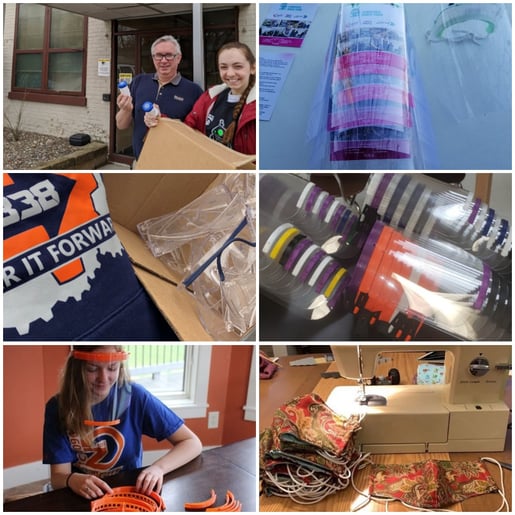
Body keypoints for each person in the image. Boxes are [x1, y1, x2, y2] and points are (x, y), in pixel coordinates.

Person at [3, 173, 179, 341]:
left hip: (154, 307)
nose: (105, 374)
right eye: (93, 368)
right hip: (44, 324)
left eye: (111, 368)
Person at [43, 346, 202, 499]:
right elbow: (58, 477)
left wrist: (158, 468)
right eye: (92, 368)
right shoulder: (57, 407)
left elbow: (191, 442)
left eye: (112, 368)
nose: (103, 379)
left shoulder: (136, 396)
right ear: (77, 368)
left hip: (128, 491)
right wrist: (71, 479)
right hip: (82, 496)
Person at [116, 35, 203, 160]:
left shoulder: (193, 91)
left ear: (178, 58)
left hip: (175, 165)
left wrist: (165, 122)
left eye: (169, 55)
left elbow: (198, 135)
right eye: (158, 55)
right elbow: (121, 125)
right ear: (153, 58)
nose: (163, 60)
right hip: (140, 162)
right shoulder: (138, 82)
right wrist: (126, 109)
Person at [184, 42, 256, 155]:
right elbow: (187, 130)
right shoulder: (210, 97)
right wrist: (159, 119)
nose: (230, 73)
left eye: (238, 66)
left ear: (253, 68)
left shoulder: (261, 107)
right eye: (224, 67)